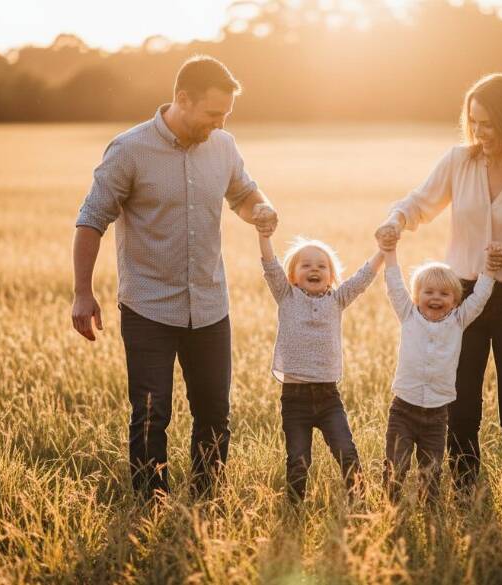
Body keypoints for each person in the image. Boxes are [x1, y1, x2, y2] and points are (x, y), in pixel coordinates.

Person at [71, 56, 278, 501]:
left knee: (215, 414)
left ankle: (206, 502)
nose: (218, 123)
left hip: (209, 305)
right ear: (182, 99)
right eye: (211, 113)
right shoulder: (129, 149)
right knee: (150, 413)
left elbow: (242, 193)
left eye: (225, 115)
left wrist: (260, 209)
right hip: (148, 307)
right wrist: (82, 293)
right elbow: (91, 220)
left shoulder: (223, 145)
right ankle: (151, 503)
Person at [375, 73, 502, 491]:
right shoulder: (458, 162)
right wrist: (395, 221)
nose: (479, 133)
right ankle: (466, 493)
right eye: (474, 122)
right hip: (460, 302)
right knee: (461, 408)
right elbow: (418, 203)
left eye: (489, 124)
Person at [257, 217, 383, 503]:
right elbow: (270, 266)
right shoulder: (286, 296)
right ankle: (294, 508)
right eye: (306, 265)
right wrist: (264, 235)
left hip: (329, 397)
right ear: (293, 275)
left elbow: (362, 279)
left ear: (331, 276)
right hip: (295, 398)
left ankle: (360, 504)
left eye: (321, 266)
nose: (314, 269)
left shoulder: (337, 300)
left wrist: (383, 252)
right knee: (298, 460)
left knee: (346, 452)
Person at [381, 241, 494, 503]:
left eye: (444, 294)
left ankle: (431, 517)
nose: (435, 298)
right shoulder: (409, 315)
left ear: (455, 301)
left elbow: (479, 297)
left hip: (437, 414)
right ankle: (389, 509)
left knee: (431, 473)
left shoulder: (458, 321)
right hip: (403, 409)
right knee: (395, 466)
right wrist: (389, 252)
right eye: (428, 292)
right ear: (416, 297)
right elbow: (394, 286)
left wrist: (489, 270)